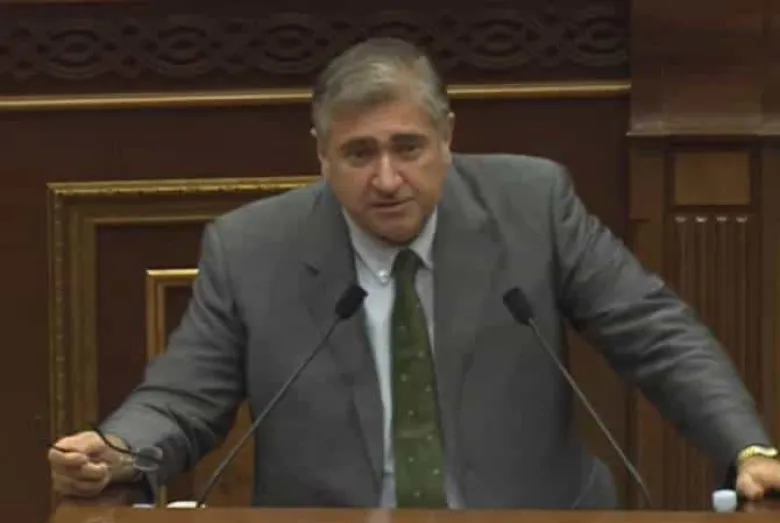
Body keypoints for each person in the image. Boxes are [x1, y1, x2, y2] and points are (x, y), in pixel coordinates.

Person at [48, 37, 780, 509]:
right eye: (359, 154)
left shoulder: (532, 205)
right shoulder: (251, 247)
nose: (388, 179)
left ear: (447, 138)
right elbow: (184, 395)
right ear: (321, 155)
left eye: (408, 147)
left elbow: (653, 332)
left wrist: (745, 447)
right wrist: (119, 450)